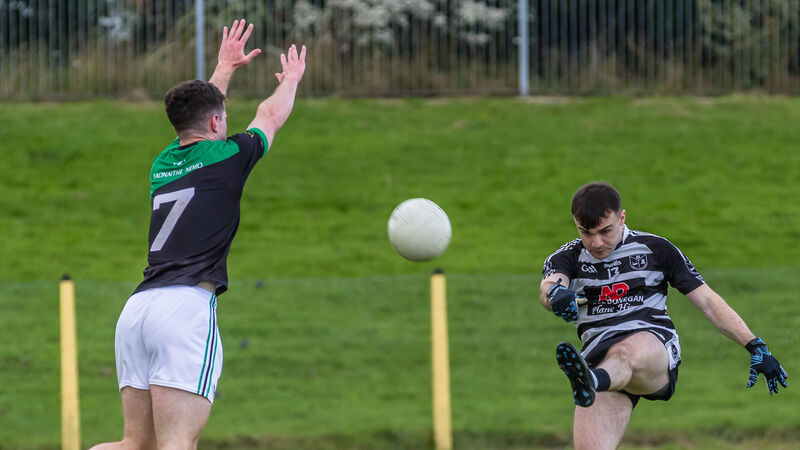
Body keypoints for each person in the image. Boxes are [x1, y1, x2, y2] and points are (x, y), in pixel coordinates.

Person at [90, 19, 307, 450]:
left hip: (136, 311)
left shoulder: (164, 162)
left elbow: (202, 109)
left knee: (134, 445)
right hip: (183, 310)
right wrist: (292, 81)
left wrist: (224, 66)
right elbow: (270, 115)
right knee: (176, 445)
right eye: (222, 118)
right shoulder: (230, 155)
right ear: (215, 123)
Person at [539, 182, 788, 450]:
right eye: (586, 233)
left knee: (625, 354)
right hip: (598, 359)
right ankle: (592, 380)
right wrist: (556, 295)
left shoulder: (656, 249)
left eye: (605, 231)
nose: (596, 242)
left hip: (650, 346)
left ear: (622, 218)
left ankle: (591, 381)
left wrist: (754, 344)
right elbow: (550, 285)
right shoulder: (567, 257)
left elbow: (707, 301)